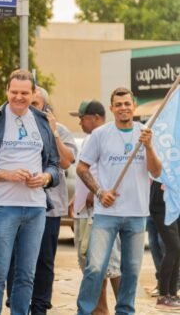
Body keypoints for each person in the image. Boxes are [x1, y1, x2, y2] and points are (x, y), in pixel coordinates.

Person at [0, 69, 60, 315]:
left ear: (34, 93)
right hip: (1, 207)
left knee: (27, 275)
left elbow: (54, 164)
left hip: (36, 208)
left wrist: (46, 177)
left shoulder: (42, 121)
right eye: (14, 92)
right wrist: (6, 174)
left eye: (24, 93)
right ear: (7, 91)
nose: (19, 97)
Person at [75, 87, 162, 314]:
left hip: (136, 214)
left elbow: (157, 171)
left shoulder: (146, 133)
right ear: (112, 108)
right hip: (106, 215)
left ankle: (125, 311)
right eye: (119, 104)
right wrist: (100, 192)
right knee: (95, 268)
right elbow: (81, 168)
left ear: (134, 106)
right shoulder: (100, 134)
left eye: (127, 104)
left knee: (131, 270)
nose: (123, 108)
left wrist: (149, 147)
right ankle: (84, 311)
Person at [20, 87, 77, 314]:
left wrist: (52, 132)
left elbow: (66, 162)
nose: (30, 108)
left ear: (46, 107)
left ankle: (40, 306)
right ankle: (18, 302)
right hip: (20, 205)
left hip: (49, 209)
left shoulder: (60, 130)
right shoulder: (14, 129)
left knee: (44, 261)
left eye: (35, 103)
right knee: (19, 261)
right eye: (28, 103)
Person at [69, 99, 121, 315]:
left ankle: (120, 308)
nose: (80, 122)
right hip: (86, 209)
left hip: (98, 211)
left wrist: (93, 192)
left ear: (96, 118)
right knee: (93, 266)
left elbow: (106, 168)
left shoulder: (106, 137)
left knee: (108, 264)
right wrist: (77, 198)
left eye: (82, 118)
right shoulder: (92, 138)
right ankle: (101, 311)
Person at [150, 180, 180, 309]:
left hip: (175, 202)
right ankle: (163, 296)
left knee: (177, 249)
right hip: (161, 203)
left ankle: (172, 294)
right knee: (173, 247)